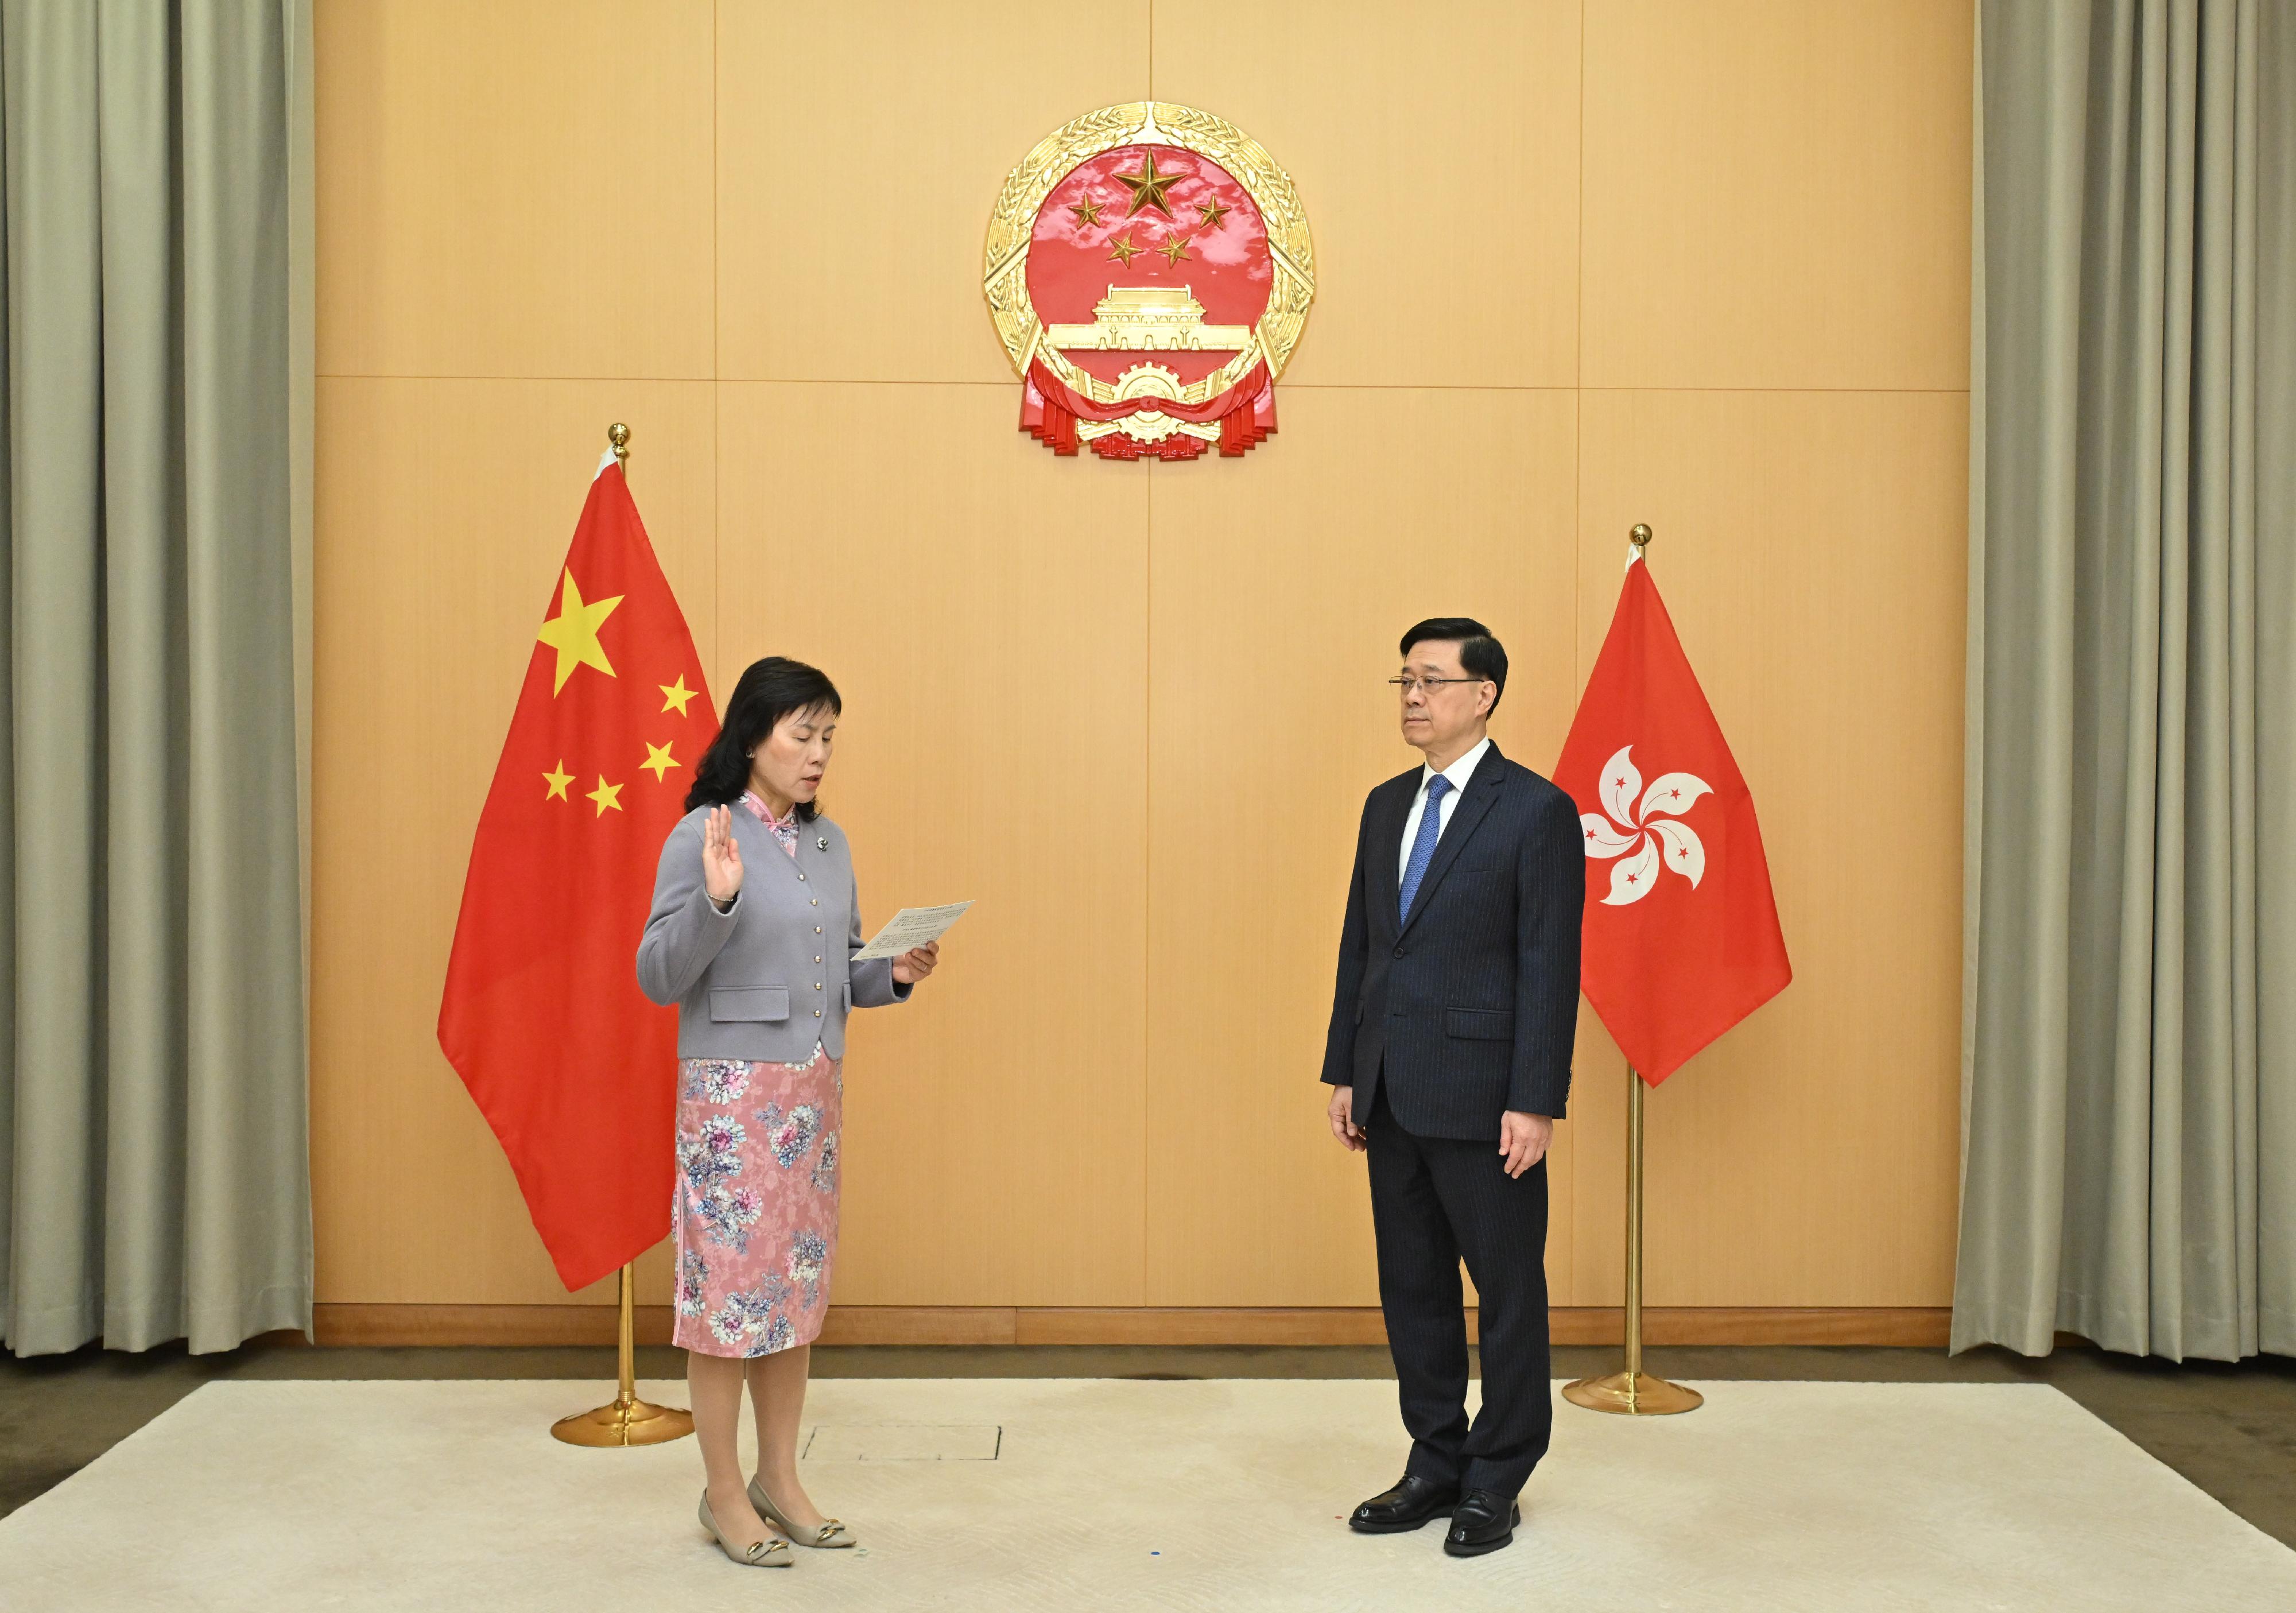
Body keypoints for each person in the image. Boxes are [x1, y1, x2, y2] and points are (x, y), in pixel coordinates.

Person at [637, 656, 940, 1569]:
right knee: (728, 1304)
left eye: (829, 738)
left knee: (794, 1297)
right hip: (732, 1105)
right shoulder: (705, 831)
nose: (818, 754)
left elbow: (835, 968)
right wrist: (720, 899)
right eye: (803, 734)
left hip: (810, 1102)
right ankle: (723, 1493)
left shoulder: (829, 842)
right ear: (753, 734)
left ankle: (781, 1478)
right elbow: (657, 973)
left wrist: (889, 973)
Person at [1320, 618, 1583, 1558]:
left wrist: (1537, 1098)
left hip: (1488, 1098)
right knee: (1414, 1288)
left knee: (1508, 1291)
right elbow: (1364, 945)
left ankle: (1498, 1475)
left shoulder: (1536, 810)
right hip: (1391, 1089)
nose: (1412, 697)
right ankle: (1434, 1458)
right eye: (1403, 679)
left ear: (1485, 695)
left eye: (1432, 680)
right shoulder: (1385, 804)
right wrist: (1346, 1066)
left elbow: (1550, 965)